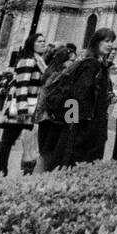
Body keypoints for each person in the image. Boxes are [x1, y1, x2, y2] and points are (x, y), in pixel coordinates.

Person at [54, 28, 117, 168]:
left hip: (93, 124)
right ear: (96, 42)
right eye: (106, 41)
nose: (110, 45)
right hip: (86, 127)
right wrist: (72, 126)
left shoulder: (100, 65)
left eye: (111, 41)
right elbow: (77, 95)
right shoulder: (91, 64)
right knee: (79, 163)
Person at [0, 32, 48, 176]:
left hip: (32, 107)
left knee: (27, 143)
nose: (43, 44)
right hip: (23, 108)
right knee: (7, 141)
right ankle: (1, 172)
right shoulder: (28, 61)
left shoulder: (39, 61)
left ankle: (22, 171)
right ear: (31, 44)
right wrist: (22, 109)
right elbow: (21, 86)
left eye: (44, 41)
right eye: (39, 41)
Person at [32, 45, 77, 173]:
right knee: (49, 154)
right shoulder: (63, 76)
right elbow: (68, 98)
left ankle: (35, 180)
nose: (74, 63)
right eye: (72, 61)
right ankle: (38, 183)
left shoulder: (49, 74)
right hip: (55, 119)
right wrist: (73, 119)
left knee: (44, 152)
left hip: (43, 118)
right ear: (63, 61)